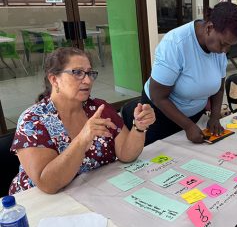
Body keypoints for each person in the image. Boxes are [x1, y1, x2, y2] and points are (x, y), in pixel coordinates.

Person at [9, 47, 155, 195]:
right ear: (54, 79)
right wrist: (82, 140)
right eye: (77, 73)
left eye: (89, 73)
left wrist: (139, 127)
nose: (87, 80)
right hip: (38, 203)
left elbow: (126, 154)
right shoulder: (33, 120)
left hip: (94, 191)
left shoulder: (99, 109)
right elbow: (48, 184)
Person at [142, 2, 237, 145]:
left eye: (230, 45)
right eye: (223, 44)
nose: (225, 50)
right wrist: (187, 126)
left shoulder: (217, 47)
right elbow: (158, 97)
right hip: (160, 116)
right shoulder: (175, 44)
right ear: (209, 28)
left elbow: (219, 87)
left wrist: (215, 117)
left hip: (193, 117)